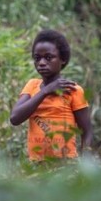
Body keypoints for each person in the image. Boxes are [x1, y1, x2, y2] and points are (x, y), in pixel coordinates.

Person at [10, 29, 92, 161]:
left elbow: (87, 132)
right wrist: (46, 91)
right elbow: (15, 118)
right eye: (37, 58)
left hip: (65, 164)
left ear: (63, 59)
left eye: (49, 57)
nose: (41, 62)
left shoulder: (73, 90)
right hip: (36, 166)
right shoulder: (32, 86)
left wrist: (85, 164)